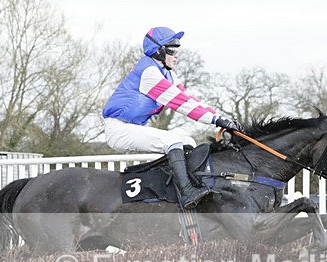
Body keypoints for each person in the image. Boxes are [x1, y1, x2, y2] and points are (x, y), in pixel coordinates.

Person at [102, 26, 239, 209]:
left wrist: (218, 116)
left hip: (133, 127)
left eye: (177, 49)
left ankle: (183, 186)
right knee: (173, 141)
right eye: (172, 49)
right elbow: (180, 103)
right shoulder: (149, 73)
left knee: (186, 139)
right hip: (118, 129)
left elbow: (190, 99)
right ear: (158, 51)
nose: (176, 55)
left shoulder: (168, 74)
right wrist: (214, 120)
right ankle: (187, 193)